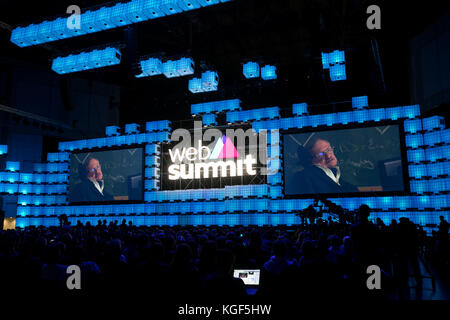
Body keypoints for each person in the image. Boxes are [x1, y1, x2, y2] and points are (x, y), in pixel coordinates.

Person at [293, 137, 358, 194]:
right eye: (321, 154)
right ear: (311, 160)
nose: (329, 156)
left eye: (328, 150)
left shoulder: (333, 173)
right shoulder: (306, 177)